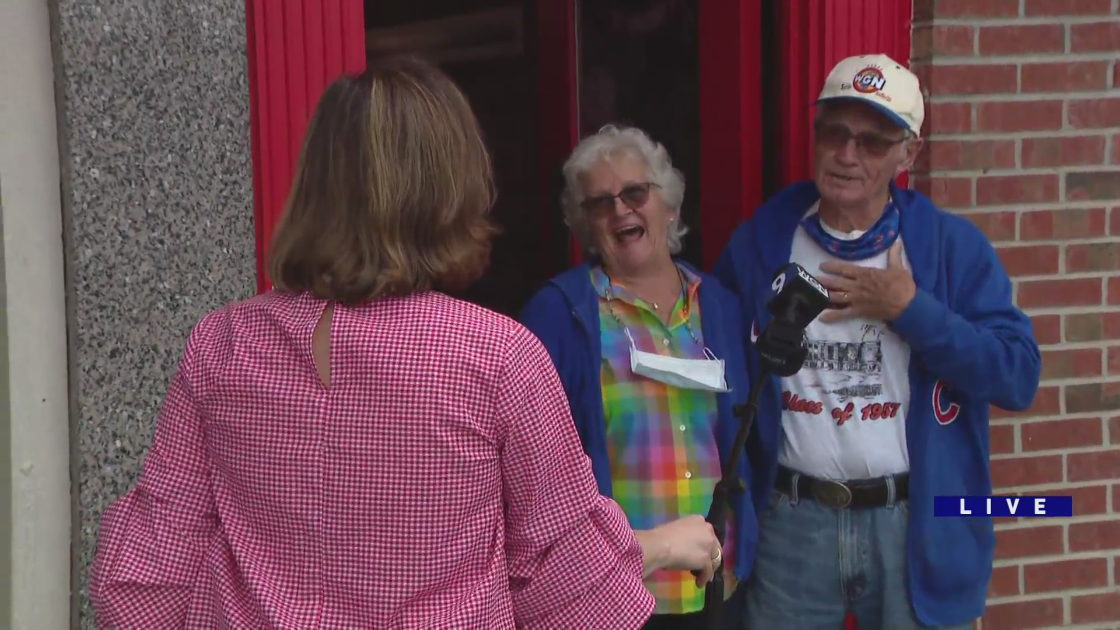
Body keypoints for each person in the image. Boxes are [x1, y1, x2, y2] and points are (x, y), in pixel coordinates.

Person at [88, 57, 723, 630]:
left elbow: (144, 577)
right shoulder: (497, 357)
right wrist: (662, 546)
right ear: (452, 187)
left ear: (316, 186)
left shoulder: (222, 344)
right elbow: (565, 581)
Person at [712, 54, 1041, 630]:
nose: (846, 154)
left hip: (912, 522)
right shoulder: (765, 237)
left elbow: (1017, 376)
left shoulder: (948, 247)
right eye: (834, 133)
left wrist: (910, 310)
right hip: (794, 519)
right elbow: (712, 351)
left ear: (906, 154)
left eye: (871, 141)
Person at [520, 124, 755, 630]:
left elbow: (757, 436)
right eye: (600, 202)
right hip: (616, 592)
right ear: (585, 225)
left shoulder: (720, 306)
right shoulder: (559, 315)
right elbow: (535, 466)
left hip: (719, 584)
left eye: (634, 193)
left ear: (668, 206)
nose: (620, 210)